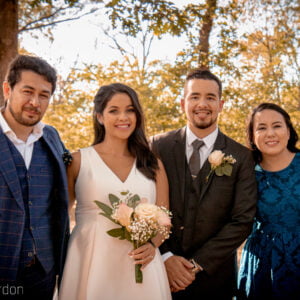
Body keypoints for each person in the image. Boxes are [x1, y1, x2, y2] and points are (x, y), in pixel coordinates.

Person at [151, 68, 257, 300]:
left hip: (215, 279)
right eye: (194, 96)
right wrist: (166, 257)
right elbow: (144, 205)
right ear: (182, 103)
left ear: (221, 104)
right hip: (158, 273)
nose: (203, 104)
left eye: (210, 97)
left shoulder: (241, 156)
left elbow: (242, 220)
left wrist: (195, 266)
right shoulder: (157, 146)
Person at [59, 83, 171, 300]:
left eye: (130, 110)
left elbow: (165, 219)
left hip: (141, 265)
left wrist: (152, 244)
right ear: (99, 116)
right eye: (114, 111)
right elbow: (58, 215)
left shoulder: (152, 163)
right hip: (90, 262)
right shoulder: (78, 161)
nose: (123, 117)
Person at [0, 55, 70, 299]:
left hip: (43, 274)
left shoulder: (52, 138)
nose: (35, 102)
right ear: (8, 89)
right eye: (27, 91)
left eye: (44, 95)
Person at [237, 103, 300, 299]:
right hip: (261, 263)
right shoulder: (245, 172)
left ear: (288, 132)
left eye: (277, 126)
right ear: (253, 138)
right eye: (261, 128)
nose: (270, 133)